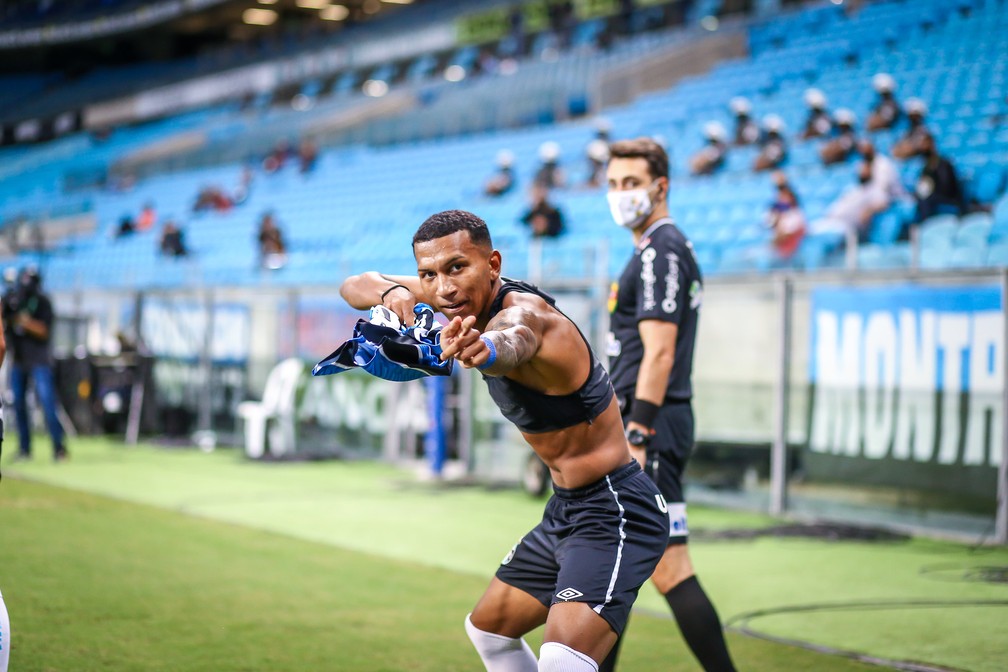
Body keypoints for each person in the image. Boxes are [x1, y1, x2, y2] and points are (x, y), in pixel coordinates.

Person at [339, 209, 670, 671]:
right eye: (427, 275)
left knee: (561, 661)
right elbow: (355, 284)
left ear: (492, 264)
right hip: (566, 510)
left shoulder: (529, 315)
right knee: (489, 630)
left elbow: (514, 340)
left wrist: (482, 350)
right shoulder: (450, 294)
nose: (444, 288)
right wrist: (395, 292)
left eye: (457, 268)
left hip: (617, 510)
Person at [601, 138, 737, 672]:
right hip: (645, 423)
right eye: (612, 185)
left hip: (649, 427)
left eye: (630, 183)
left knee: (668, 566)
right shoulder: (653, 248)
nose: (620, 195)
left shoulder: (661, 249)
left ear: (661, 186)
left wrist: (636, 433)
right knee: (615, 566)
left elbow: (659, 352)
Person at [3, 266, 67, 462]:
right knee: (19, 405)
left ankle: (59, 447)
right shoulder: (12, 301)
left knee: (47, 403)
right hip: (19, 360)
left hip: (39, 360)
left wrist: (24, 322)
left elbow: (44, 331)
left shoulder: (43, 302)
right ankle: (25, 449)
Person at [914, 132, 965, 223]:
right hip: (933, 198)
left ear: (932, 143)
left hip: (949, 198)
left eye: (925, 143)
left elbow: (947, 188)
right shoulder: (925, 166)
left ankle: (926, 225)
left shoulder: (943, 163)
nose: (922, 147)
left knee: (925, 200)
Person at [766, 171, 806, 263]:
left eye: (785, 197)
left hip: (791, 252)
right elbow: (769, 224)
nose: (781, 199)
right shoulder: (775, 212)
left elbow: (785, 236)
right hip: (777, 252)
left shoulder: (796, 215)